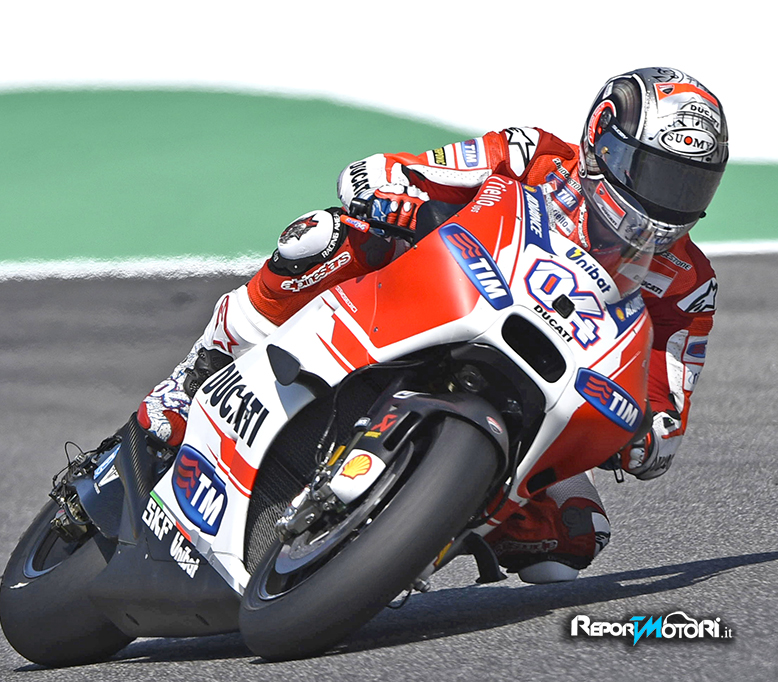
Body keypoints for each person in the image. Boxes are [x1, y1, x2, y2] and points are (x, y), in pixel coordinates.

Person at [137, 67, 727, 583]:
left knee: (573, 539)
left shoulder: (689, 283)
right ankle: (200, 370)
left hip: (541, 388)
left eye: (689, 187)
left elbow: (666, 414)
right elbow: (394, 173)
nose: (668, 203)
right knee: (322, 238)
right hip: (437, 297)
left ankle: (424, 525)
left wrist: (643, 434)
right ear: (604, 138)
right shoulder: (531, 155)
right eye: (656, 175)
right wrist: (392, 197)